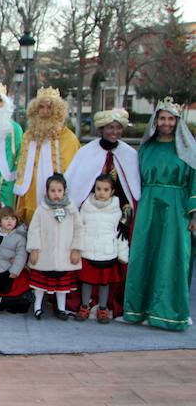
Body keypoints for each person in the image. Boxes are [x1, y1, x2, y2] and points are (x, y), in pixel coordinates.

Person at [124, 97, 196, 331]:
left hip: (176, 207)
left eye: (171, 119)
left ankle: (171, 313)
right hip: (148, 206)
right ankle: (141, 309)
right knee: (146, 254)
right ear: (156, 121)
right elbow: (135, 179)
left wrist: (194, 214)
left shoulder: (187, 149)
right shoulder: (147, 148)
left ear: (177, 121)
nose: (166, 123)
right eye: (162, 118)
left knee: (172, 257)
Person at [65, 108, 140, 318]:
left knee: (115, 262)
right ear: (101, 129)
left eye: (117, 127)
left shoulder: (129, 154)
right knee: (88, 262)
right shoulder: (87, 152)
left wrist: (126, 219)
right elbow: (78, 185)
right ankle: (85, 302)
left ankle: (108, 303)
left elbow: (131, 191)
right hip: (90, 217)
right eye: (109, 127)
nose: (113, 131)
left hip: (118, 218)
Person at [13, 87, 80, 223]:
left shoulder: (69, 139)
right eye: (41, 107)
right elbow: (22, 165)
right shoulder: (28, 136)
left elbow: (74, 171)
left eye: (49, 108)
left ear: (57, 111)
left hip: (57, 195)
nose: (44, 112)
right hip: (30, 194)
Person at [27, 173, 83, 321]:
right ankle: (38, 307)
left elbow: (79, 229)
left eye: (59, 190)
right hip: (44, 254)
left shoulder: (71, 209)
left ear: (64, 191)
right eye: (53, 191)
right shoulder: (41, 210)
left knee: (62, 286)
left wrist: (76, 249)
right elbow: (34, 230)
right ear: (47, 192)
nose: (56, 194)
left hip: (65, 254)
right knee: (40, 284)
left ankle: (61, 308)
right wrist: (34, 249)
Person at [76, 174, 129, 324]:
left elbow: (120, 235)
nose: (101, 192)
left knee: (104, 283)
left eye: (106, 189)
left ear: (112, 191)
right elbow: (79, 228)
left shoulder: (116, 209)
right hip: (88, 251)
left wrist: (123, 254)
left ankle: (103, 308)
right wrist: (77, 249)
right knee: (86, 281)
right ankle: (85, 306)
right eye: (98, 188)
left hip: (107, 253)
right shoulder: (86, 206)